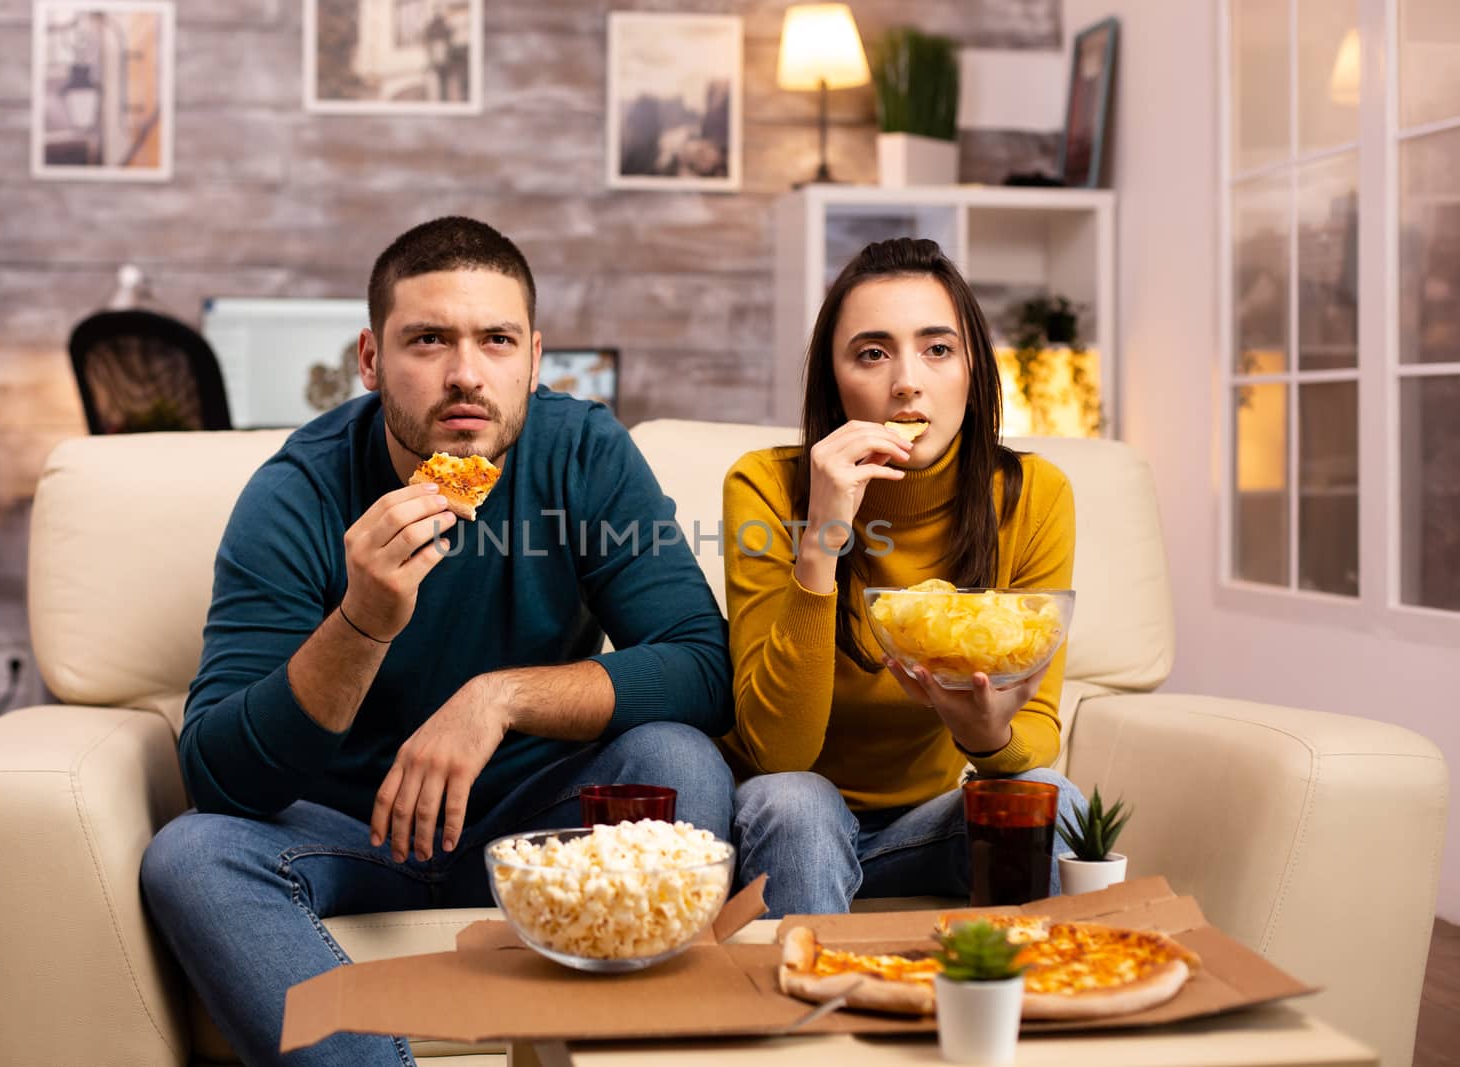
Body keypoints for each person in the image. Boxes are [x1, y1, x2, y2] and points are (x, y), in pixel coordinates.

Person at [140, 216, 736, 1065]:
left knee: (679, 762)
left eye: (495, 340)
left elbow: (702, 665)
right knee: (189, 856)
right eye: (428, 340)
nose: (466, 375)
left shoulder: (582, 455)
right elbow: (218, 774)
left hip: (533, 826)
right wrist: (362, 622)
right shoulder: (297, 492)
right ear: (371, 360)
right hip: (348, 831)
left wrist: (498, 698)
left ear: (534, 357)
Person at [719, 237, 1086, 918]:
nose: (907, 381)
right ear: (834, 380)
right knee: (796, 799)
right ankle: (812, 1014)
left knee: (1056, 799)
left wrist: (986, 736)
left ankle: (1036, 1011)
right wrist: (824, 532)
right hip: (791, 818)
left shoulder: (1033, 494)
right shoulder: (766, 484)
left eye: (937, 348)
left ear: (973, 367)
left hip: (929, 826)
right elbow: (778, 751)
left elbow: (1036, 733)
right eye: (872, 352)